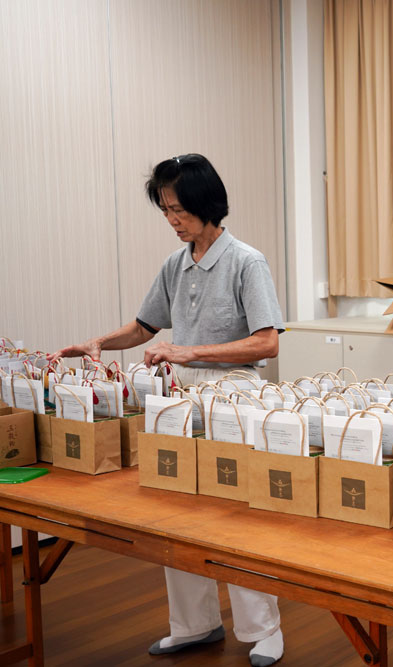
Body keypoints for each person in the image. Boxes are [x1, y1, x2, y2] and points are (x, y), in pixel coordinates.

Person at [50, 153, 286, 667]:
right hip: (179, 396)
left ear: (206, 204)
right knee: (176, 509)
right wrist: (97, 341)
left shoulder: (248, 260)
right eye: (165, 210)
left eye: (178, 209)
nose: (172, 220)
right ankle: (194, 625)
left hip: (233, 397)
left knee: (235, 514)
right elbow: (143, 329)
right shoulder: (174, 265)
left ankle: (264, 631)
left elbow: (266, 343)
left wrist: (190, 351)